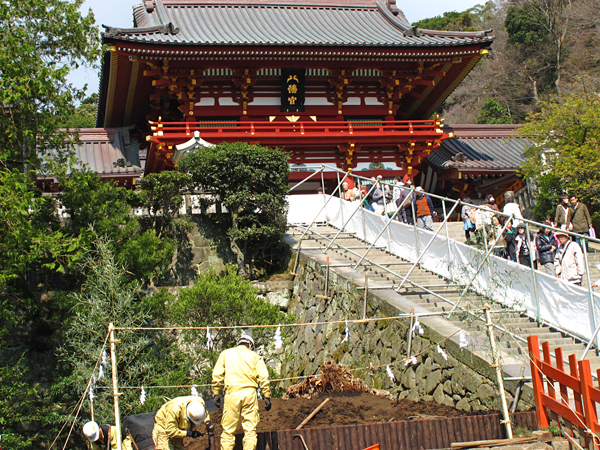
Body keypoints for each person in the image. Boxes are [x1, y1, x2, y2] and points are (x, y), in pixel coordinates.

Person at [212, 334, 271, 450]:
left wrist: (216, 393)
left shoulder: (225, 354)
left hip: (231, 393)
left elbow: (217, 374)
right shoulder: (255, 356)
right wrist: (267, 395)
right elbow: (263, 377)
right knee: (250, 430)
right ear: (251, 345)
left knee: (228, 431)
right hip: (250, 394)